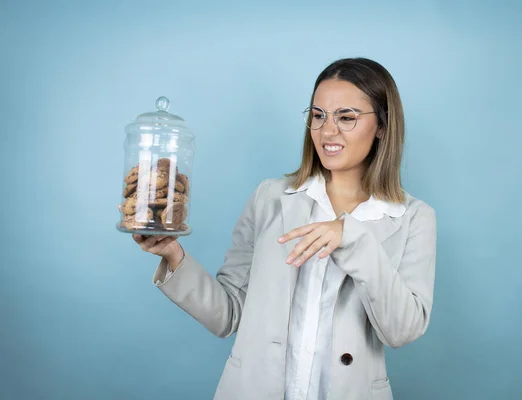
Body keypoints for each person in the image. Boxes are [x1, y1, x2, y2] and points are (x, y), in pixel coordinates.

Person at [133, 57, 437, 400]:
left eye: (347, 117)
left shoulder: (414, 218)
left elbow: (403, 330)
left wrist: (352, 239)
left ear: (382, 125)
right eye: (318, 115)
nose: (328, 131)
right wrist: (174, 255)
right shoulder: (270, 197)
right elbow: (229, 315)